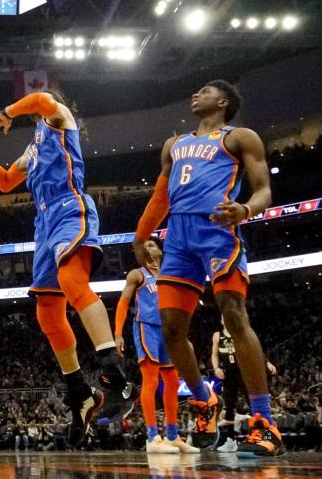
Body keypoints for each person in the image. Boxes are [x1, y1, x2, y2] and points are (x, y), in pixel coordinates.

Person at [0, 90, 133, 448]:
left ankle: (114, 371)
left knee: (72, 279)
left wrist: (4, 112)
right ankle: (79, 393)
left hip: (69, 207)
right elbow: (7, 181)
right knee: (47, 312)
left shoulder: (59, 121)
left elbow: (42, 99)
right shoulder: (33, 146)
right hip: (43, 224)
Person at [132, 80, 283, 457]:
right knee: (171, 328)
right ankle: (203, 400)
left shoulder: (240, 137)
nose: (195, 95)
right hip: (179, 237)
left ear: (224, 101)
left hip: (217, 229)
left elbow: (264, 189)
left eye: (204, 91)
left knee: (233, 313)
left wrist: (246, 209)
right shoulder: (174, 145)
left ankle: (265, 421)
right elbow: (160, 196)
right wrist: (142, 234)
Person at [116, 238, 198, 454]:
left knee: (172, 381)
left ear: (161, 252)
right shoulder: (138, 274)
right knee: (151, 380)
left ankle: (172, 436)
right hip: (147, 328)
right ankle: (152, 437)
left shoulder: (170, 274)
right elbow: (123, 302)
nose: (148, 247)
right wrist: (117, 333)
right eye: (145, 246)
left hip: (168, 330)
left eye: (152, 244)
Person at [212, 315, 277, 452]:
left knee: (251, 402)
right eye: (224, 318)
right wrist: (216, 368)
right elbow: (214, 355)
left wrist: (267, 363)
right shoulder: (217, 336)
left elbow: (254, 351)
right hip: (228, 373)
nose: (226, 319)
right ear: (221, 320)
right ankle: (230, 440)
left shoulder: (240, 334)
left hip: (243, 371)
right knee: (229, 406)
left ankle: (260, 434)